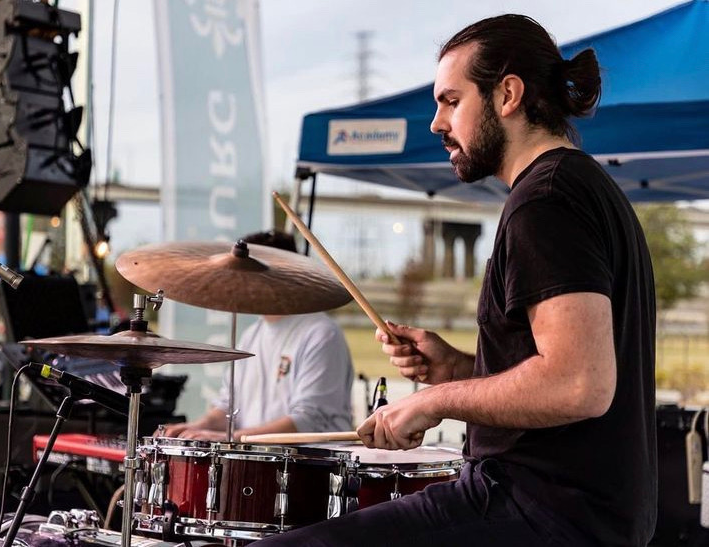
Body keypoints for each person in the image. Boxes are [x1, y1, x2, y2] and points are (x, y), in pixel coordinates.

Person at [257, 14, 655, 547]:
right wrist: (459, 370)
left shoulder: (546, 199)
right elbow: (564, 373)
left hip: (541, 508)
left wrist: (429, 403)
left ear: (508, 94)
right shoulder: (583, 186)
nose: (436, 123)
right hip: (574, 511)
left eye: (450, 100)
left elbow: (581, 384)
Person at [161, 229, 354, 441]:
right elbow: (229, 407)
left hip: (310, 467)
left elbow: (308, 420)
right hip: (257, 463)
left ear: (286, 272)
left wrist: (230, 438)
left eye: (250, 272)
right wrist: (194, 429)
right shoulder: (251, 335)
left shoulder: (321, 333)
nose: (244, 283)